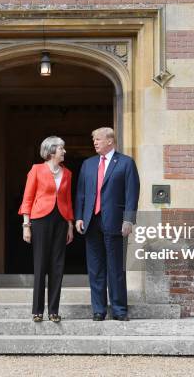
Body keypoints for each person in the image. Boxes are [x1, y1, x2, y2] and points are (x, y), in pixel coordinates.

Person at [75, 127, 140, 321]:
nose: (94, 142)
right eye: (93, 139)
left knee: (116, 268)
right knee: (95, 268)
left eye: (98, 139)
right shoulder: (88, 164)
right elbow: (81, 193)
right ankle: (99, 310)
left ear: (110, 141)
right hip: (91, 222)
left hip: (116, 222)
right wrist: (79, 217)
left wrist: (128, 219)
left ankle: (119, 310)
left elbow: (132, 194)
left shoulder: (126, 163)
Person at [18, 136, 74, 323]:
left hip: (61, 220)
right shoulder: (36, 170)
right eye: (61, 148)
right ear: (51, 151)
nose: (64, 151)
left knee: (57, 266)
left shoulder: (67, 173)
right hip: (40, 219)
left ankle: (54, 311)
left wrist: (70, 225)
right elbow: (27, 198)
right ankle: (37, 310)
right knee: (41, 264)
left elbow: (68, 201)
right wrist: (26, 225)